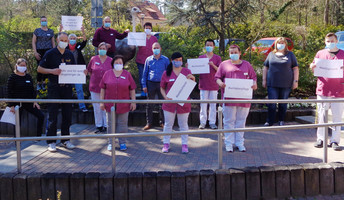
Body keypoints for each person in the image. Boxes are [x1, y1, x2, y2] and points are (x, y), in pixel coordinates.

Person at [37, 32, 83, 152]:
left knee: (67, 115)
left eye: (66, 40)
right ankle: (51, 141)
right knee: (52, 115)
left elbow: (74, 70)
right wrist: (52, 71)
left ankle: (65, 140)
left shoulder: (69, 54)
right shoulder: (50, 53)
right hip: (54, 88)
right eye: (62, 40)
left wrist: (82, 73)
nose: (64, 42)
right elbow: (39, 69)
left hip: (67, 88)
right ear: (57, 40)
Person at [215, 45, 257, 152]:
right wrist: (221, 83)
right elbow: (217, 77)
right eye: (231, 52)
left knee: (241, 122)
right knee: (229, 121)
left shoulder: (247, 65)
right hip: (229, 98)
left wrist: (254, 84)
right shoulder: (224, 64)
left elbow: (253, 78)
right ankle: (229, 143)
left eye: (235, 52)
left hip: (244, 99)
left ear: (240, 53)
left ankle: (239, 143)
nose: (233, 54)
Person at [310, 32, 344, 151]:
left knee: (337, 117)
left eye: (332, 41)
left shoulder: (343, 54)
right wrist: (312, 66)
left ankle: (335, 140)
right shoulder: (320, 53)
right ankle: (321, 139)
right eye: (328, 41)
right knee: (322, 115)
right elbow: (313, 65)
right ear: (325, 42)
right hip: (323, 89)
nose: (330, 43)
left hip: (338, 91)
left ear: (336, 41)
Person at [160, 52, 196, 154]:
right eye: (176, 60)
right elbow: (162, 88)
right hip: (169, 104)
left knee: (183, 125)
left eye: (180, 60)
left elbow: (191, 85)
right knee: (168, 125)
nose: (178, 62)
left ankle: (184, 145)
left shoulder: (186, 71)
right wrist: (165, 97)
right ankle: (166, 144)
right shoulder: (166, 73)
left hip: (183, 103)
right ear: (172, 61)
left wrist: (193, 79)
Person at [99, 55, 136, 151]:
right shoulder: (107, 74)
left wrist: (133, 102)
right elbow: (102, 88)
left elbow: (132, 89)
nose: (118, 64)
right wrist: (101, 102)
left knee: (122, 124)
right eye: (116, 63)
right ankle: (111, 143)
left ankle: (122, 143)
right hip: (109, 104)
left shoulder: (127, 74)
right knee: (110, 123)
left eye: (120, 63)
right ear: (113, 64)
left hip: (124, 104)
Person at [262, 37, 299, 126]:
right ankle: (270, 121)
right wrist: (264, 80)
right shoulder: (271, 54)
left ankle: (281, 120)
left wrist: (295, 81)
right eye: (279, 43)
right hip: (272, 83)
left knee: (283, 103)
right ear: (276, 44)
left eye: (282, 43)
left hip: (286, 83)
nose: (280, 44)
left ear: (286, 44)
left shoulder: (290, 55)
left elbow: (295, 68)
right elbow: (265, 67)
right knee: (272, 103)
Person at [7, 58, 44, 137]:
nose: (23, 67)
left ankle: (38, 136)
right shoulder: (12, 77)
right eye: (21, 65)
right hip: (17, 104)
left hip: (28, 102)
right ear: (17, 66)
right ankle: (17, 140)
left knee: (41, 115)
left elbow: (32, 90)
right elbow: (9, 91)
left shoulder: (28, 77)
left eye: (24, 65)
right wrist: (11, 105)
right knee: (17, 121)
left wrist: (35, 101)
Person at [141, 42, 169, 130]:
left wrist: (168, 84)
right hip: (151, 83)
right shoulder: (148, 60)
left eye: (157, 47)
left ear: (160, 48)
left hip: (162, 84)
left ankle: (163, 122)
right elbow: (145, 73)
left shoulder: (165, 59)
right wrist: (144, 85)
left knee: (163, 103)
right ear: (152, 49)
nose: (156, 49)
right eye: (154, 48)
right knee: (150, 104)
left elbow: (169, 73)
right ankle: (149, 123)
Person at [87, 42, 112, 133]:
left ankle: (106, 125)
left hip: (106, 88)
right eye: (100, 48)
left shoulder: (110, 60)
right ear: (98, 49)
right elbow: (89, 71)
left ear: (107, 50)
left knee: (105, 106)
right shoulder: (93, 59)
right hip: (94, 86)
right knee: (96, 107)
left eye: (104, 49)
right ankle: (99, 125)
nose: (102, 50)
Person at [62, 25, 88, 112]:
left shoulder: (79, 46)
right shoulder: (65, 48)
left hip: (78, 72)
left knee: (79, 89)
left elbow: (85, 41)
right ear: (68, 40)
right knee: (68, 90)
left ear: (76, 40)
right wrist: (60, 30)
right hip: (68, 72)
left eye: (74, 38)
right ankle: (69, 106)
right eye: (71, 38)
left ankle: (82, 106)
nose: (72, 39)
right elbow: (59, 41)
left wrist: (83, 31)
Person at [198, 39, 222, 129]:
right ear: (205, 46)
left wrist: (212, 65)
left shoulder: (217, 58)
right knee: (203, 104)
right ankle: (202, 122)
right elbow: (196, 69)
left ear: (214, 47)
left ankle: (212, 122)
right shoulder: (201, 58)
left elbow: (220, 70)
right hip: (203, 83)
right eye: (207, 45)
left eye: (211, 45)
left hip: (213, 84)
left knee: (213, 104)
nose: (209, 47)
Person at [32, 16, 55, 91]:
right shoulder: (37, 31)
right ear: (40, 22)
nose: (44, 22)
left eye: (45, 20)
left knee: (47, 67)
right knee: (40, 67)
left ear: (47, 21)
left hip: (48, 51)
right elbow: (33, 42)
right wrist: (35, 52)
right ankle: (38, 83)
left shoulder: (51, 31)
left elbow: (53, 42)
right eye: (42, 21)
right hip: (39, 51)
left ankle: (45, 83)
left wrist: (54, 51)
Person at [136, 22, 158, 97]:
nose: (148, 29)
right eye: (146, 28)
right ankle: (143, 90)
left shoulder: (154, 38)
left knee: (149, 76)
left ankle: (149, 90)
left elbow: (156, 48)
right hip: (141, 60)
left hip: (151, 61)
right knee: (142, 75)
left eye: (149, 28)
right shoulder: (141, 37)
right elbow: (137, 46)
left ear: (151, 29)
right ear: (144, 29)